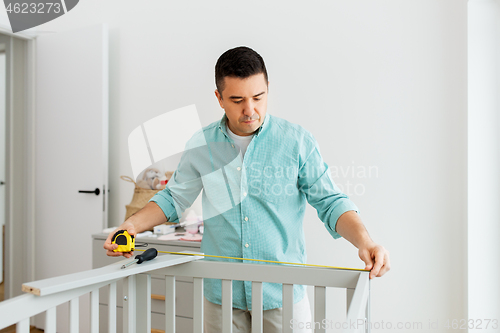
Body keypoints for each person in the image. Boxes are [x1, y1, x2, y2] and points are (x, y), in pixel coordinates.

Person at [104, 46, 390, 333]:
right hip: (221, 297)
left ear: (268, 89)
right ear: (219, 98)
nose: (250, 110)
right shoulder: (201, 145)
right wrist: (130, 226)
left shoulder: (296, 141)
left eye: (258, 97)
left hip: (282, 295)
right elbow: (172, 198)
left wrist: (365, 241)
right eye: (238, 100)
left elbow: (330, 202)